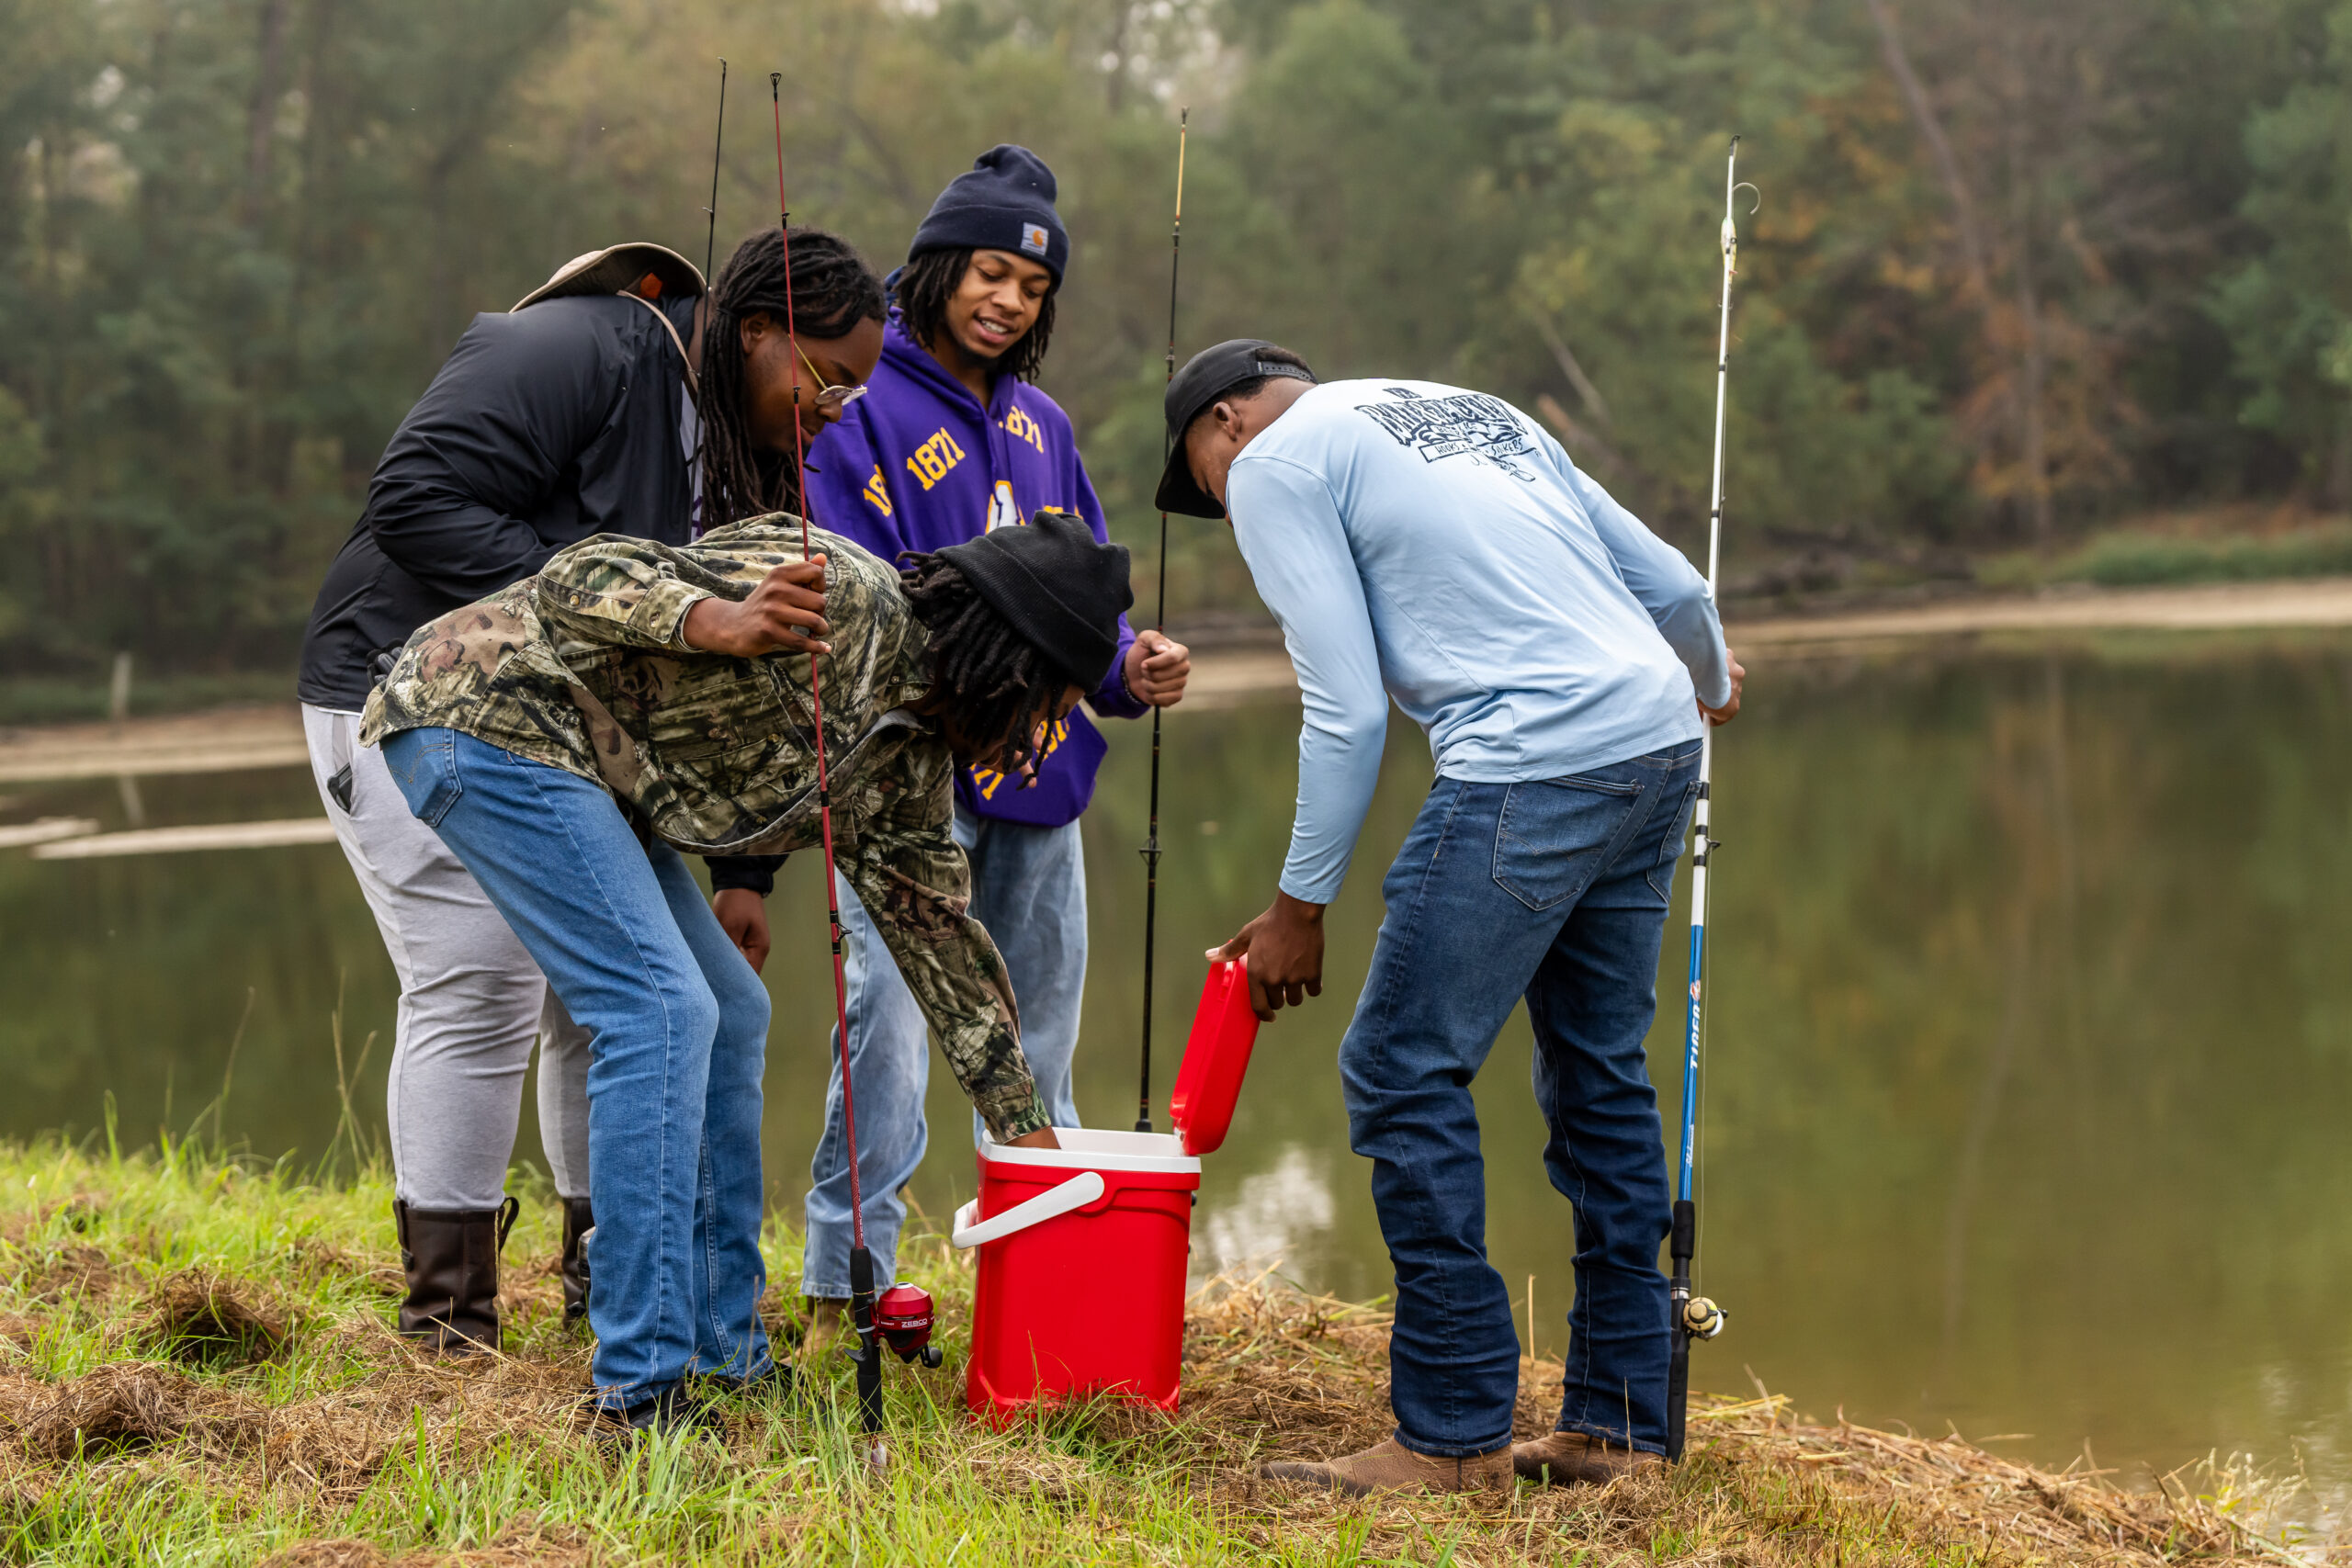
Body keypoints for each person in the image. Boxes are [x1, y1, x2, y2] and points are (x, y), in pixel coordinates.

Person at [360, 506, 1129, 1431]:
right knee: (659, 1011)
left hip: (592, 770)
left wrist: (1026, 1133)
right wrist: (709, 620)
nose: (1040, 735)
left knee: (732, 1007)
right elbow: (585, 571)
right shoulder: (840, 596)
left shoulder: (907, 766)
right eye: (1050, 705)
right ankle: (640, 1389)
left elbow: (941, 941)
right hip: (482, 711)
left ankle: (726, 1353)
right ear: (1012, 663)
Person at [1159, 340, 1745, 1495]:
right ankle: (1622, 1425)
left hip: (1531, 762)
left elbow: (1345, 712)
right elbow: (1675, 584)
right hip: (1658, 740)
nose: (1228, 513)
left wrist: (1297, 909)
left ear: (1226, 424)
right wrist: (1713, 681)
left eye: (1205, 487)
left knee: (1399, 1068)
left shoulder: (1277, 464)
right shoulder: (1472, 412)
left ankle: (1451, 1431)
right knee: (1597, 1073)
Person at [295, 225, 883, 1353]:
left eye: (854, 392)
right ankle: (449, 1321)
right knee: (481, 989)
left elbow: (728, 677)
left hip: (571, 731)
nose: (835, 409)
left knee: (606, 997)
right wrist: (631, 602)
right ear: (757, 332)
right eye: (828, 377)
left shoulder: (746, 444)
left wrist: (746, 871)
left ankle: (603, 1280)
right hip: (406, 692)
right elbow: (415, 496)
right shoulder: (580, 348)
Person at [788, 144, 1191, 1348]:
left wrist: (1128, 664)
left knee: (1039, 1043)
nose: (1008, 298)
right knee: (890, 1021)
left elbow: (1088, 600)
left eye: (1032, 283)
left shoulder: (1044, 423)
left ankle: (1050, 1291)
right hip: (908, 776)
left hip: (1044, 776)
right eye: (988, 270)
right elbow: (843, 600)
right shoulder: (859, 410)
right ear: (933, 270)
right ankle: (839, 1284)